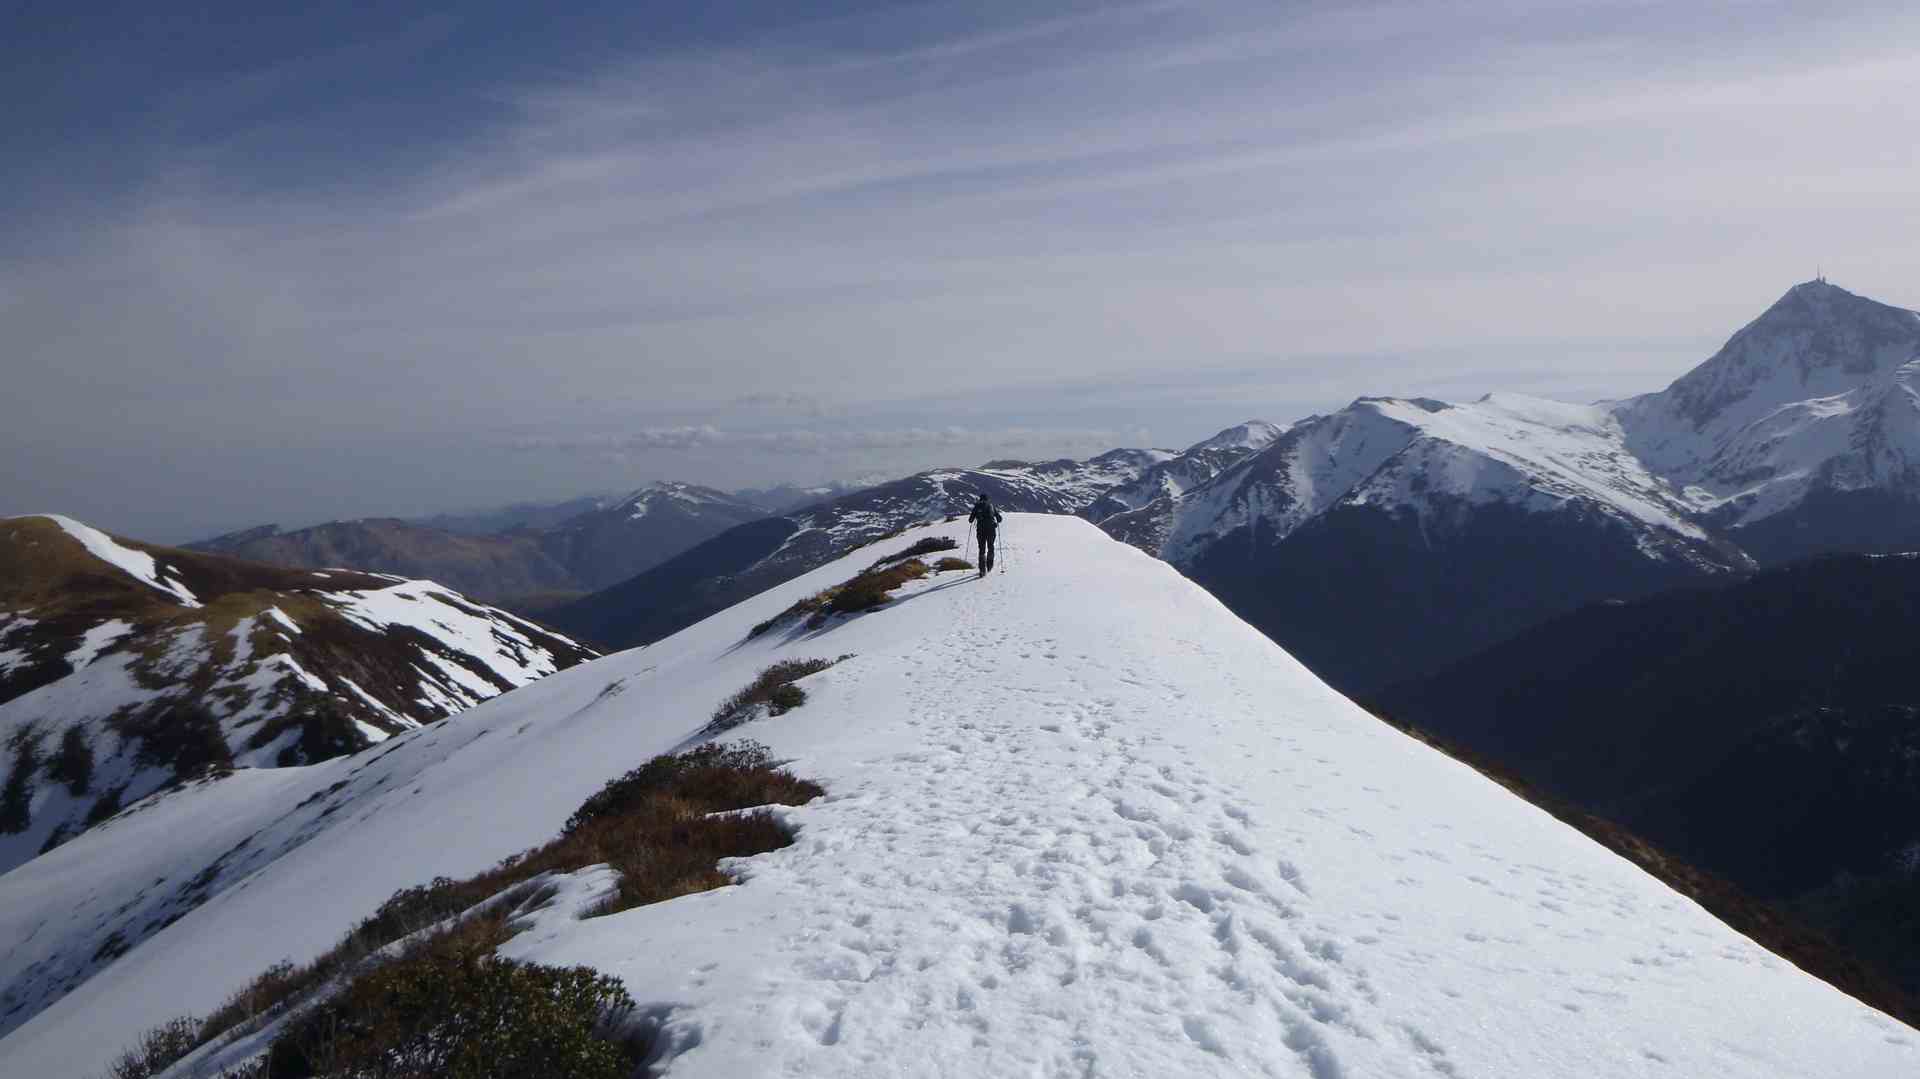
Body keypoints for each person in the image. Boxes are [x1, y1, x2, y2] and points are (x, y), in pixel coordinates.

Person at [969, 494, 1003, 574]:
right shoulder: (991, 506)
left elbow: (970, 520)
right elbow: (999, 519)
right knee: (990, 547)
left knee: (982, 549)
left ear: (980, 499)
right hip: (991, 530)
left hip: (980, 530)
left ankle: (982, 570)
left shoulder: (977, 506)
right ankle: (989, 566)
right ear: (987, 499)